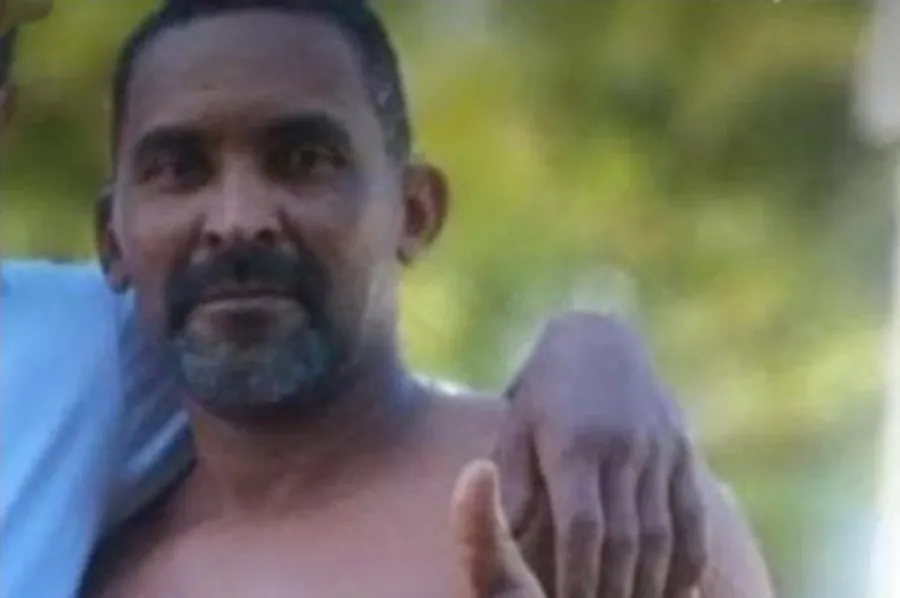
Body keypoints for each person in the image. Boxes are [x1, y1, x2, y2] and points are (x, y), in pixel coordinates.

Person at [0, 3, 757, 598]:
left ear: (416, 211)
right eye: (180, 170)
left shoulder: (592, 512)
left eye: (304, 159)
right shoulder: (99, 562)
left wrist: (594, 343)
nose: (238, 219)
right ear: (113, 241)